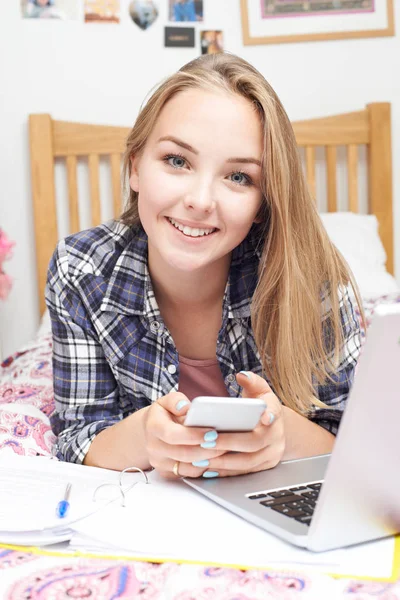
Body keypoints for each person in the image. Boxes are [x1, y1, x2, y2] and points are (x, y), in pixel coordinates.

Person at [46, 53, 362, 480]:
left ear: (262, 203)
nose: (200, 200)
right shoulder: (81, 271)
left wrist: (280, 434)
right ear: (135, 166)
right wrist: (146, 435)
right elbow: (78, 436)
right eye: (177, 161)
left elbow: (362, 448)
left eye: (239, 177)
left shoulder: (312, 280)